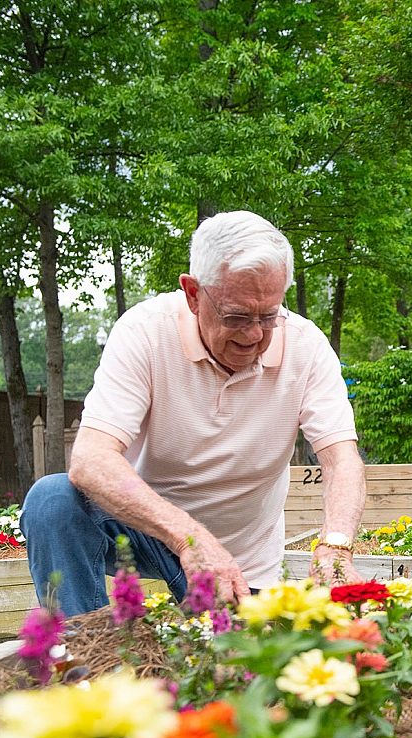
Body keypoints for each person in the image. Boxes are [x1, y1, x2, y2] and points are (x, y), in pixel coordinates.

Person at [20, 211, 365, 615]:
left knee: (240, 672)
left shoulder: (306, 346)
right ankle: (84, 658)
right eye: (236, 316)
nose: (254, 334)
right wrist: (188, 538)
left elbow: (342, 459)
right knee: (52, 500)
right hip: (149, 530)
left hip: (244, 564)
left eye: (269, 316)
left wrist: (335, 545)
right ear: (193, 294)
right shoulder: (145, 332)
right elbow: (91, 460)